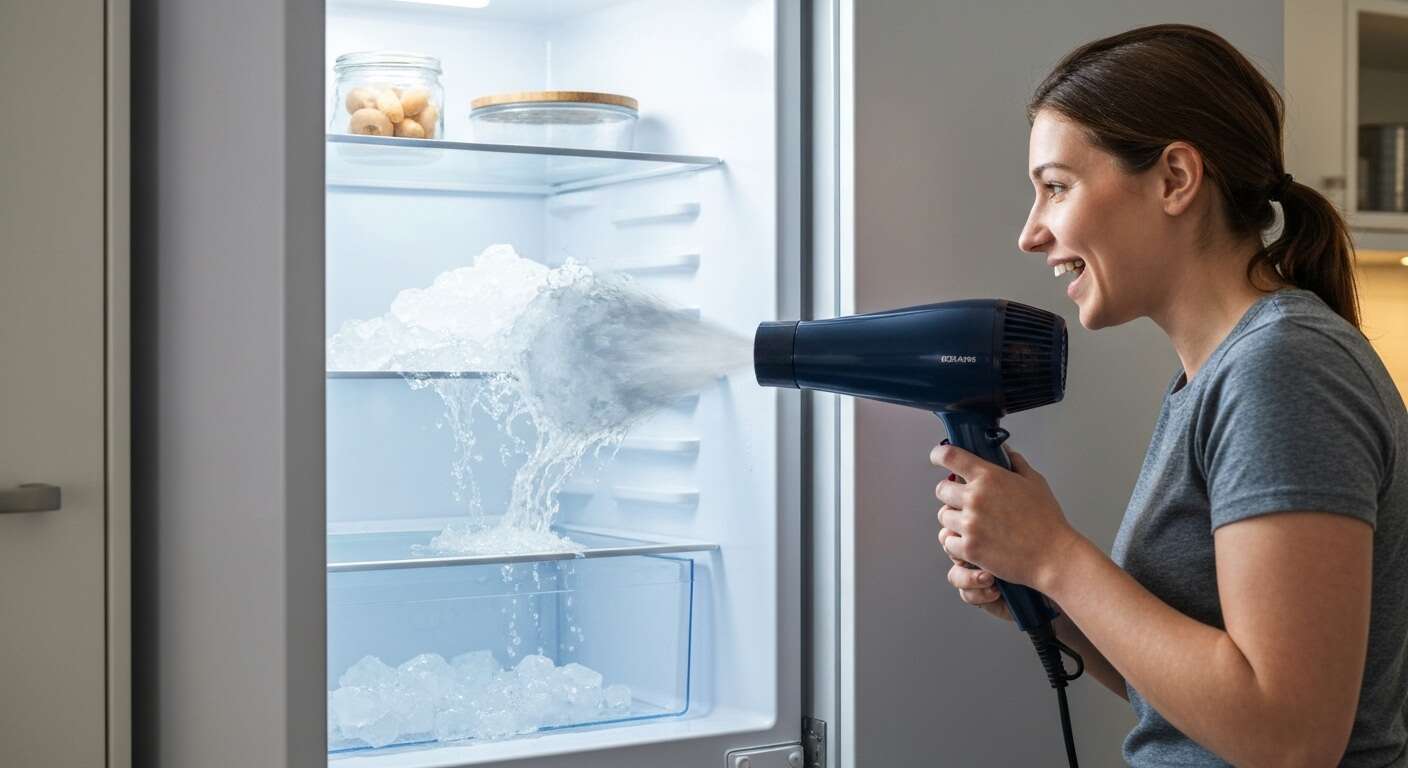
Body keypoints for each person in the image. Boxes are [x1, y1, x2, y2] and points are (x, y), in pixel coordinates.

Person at [931, 23, 1408, 768]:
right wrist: (1048, 595)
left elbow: (1290, 736)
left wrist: (1058, 557)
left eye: (1056, 187)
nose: (1031, 232)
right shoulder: (1219, 375)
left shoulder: (1283, 368)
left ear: (1176, 179)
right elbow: (1201, 704)